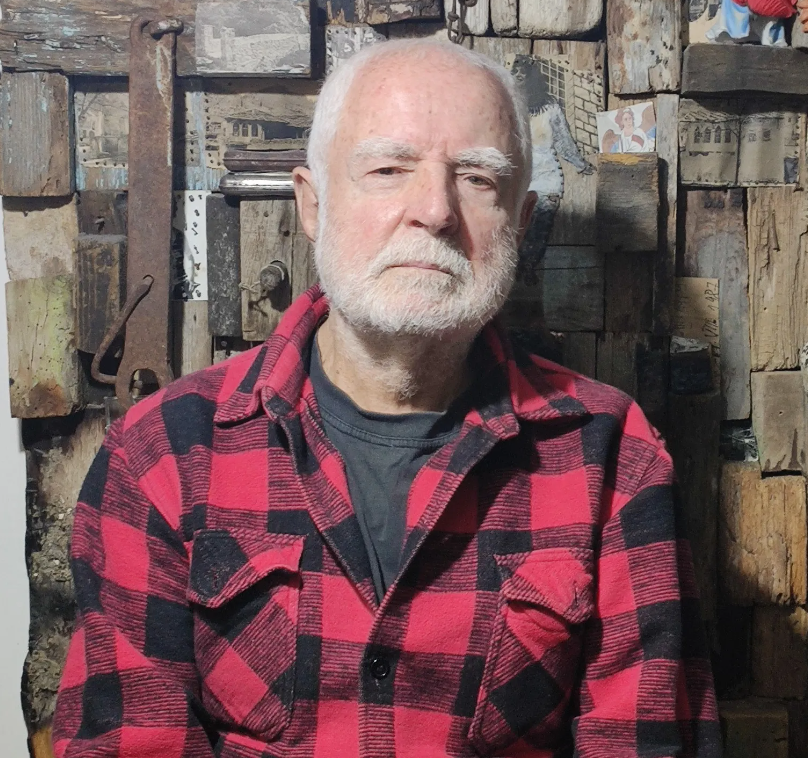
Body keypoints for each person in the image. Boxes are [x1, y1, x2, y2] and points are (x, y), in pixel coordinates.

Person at [53, 39, 720, 757]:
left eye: (477, 179)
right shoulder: (160, 455)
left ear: (522, 223)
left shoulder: (613, 456)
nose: (434, 210)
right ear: (313, 203)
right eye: (387, 169)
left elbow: (646, 741)